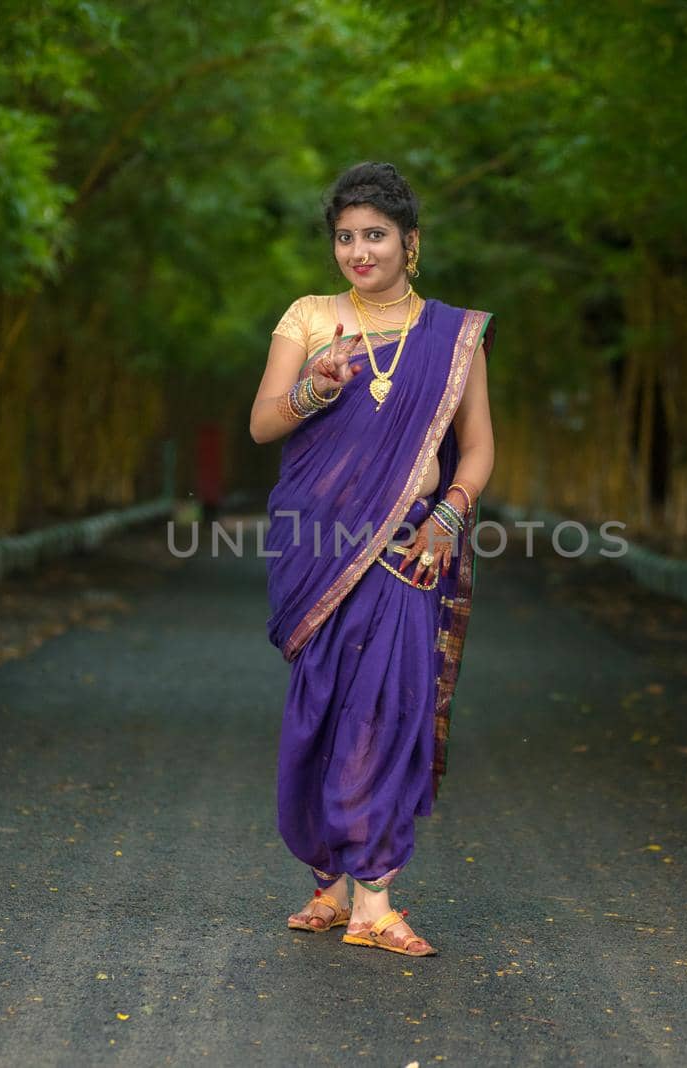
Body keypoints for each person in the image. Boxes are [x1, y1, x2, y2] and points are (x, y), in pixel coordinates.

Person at [248, 162, 495, 957]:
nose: (359, 250)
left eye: (376, 236)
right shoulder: (310, 316)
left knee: (387, 708)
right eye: (346, 237)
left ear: (410, 243)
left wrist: (450, 517)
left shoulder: (453, 335)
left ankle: (374, 898)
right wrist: (317, 388)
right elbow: (262, 424)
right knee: (322, 707)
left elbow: (479, 448)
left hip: (406, 550)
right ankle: (329, 881)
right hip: (317, 548)